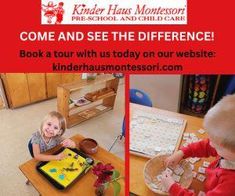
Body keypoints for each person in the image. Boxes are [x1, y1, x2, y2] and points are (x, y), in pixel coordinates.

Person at [161, 94, 235, 195]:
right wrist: (183, 152)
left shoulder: (230, 187)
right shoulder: (228, 150)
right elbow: (206, 146)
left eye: (217, 145)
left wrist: (172, 188)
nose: (211, 144)